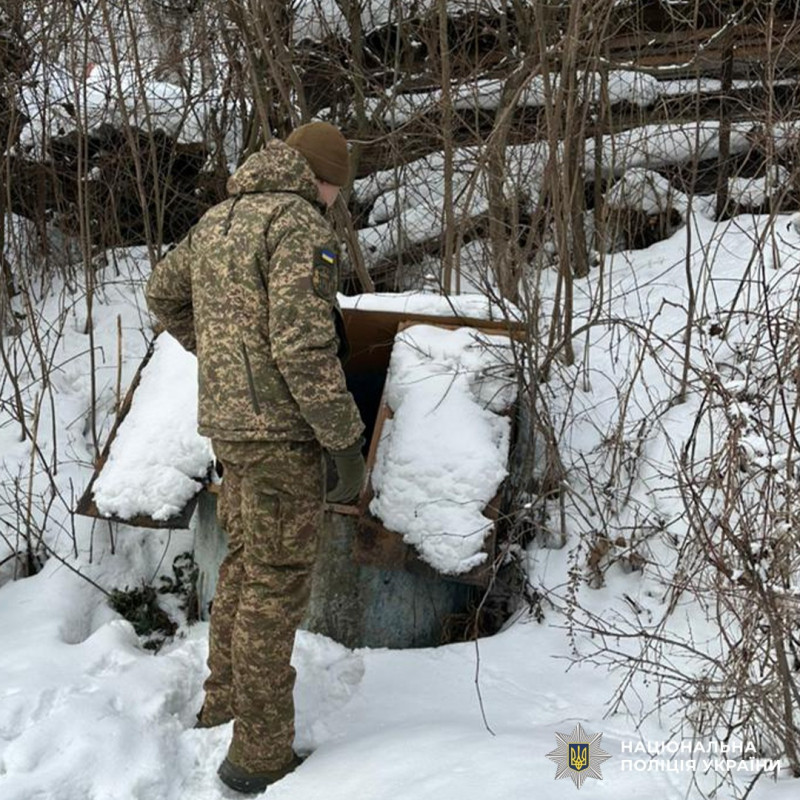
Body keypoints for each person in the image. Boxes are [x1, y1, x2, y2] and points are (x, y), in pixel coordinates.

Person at [145, 121, 366, 794]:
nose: (334, 201)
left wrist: (220, 353)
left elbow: (162, 293)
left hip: (231, 429)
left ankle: (225, 702)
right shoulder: (299, 226)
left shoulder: (218, 221)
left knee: (245, 566)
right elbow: (304, 349)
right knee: (275, 584)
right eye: (337, 188)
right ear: (323, 179)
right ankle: (260, 753)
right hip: (283, 436)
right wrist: (343, 440)